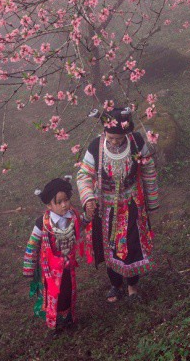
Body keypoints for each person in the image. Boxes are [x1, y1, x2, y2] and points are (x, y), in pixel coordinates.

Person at [76, 106, 159, 303]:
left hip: (132, 204)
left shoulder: (136, 141)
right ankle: (115, 284)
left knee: (132, 243)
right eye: (110, 137)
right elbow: (84, 175)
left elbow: (148, 169)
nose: (113, 142)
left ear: (127, 133)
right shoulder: (96, 146)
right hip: (106, 207)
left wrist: (152, 200)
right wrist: (88, 198)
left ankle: (132, 285)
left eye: (118, 139)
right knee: (110, 245)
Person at [22, 176, 87, 333]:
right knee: (53, 292)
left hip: (68, 264)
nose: (64, 205)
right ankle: (55, 320)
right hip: (50, 268)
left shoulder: (72, 216)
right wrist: (29, 268)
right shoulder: (42, 223)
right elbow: (32, 245)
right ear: (49, 205)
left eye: (66, 200)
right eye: (59, 202)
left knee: (68, 289)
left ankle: (68, 317)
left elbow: (81, 225)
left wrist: (89, 215)